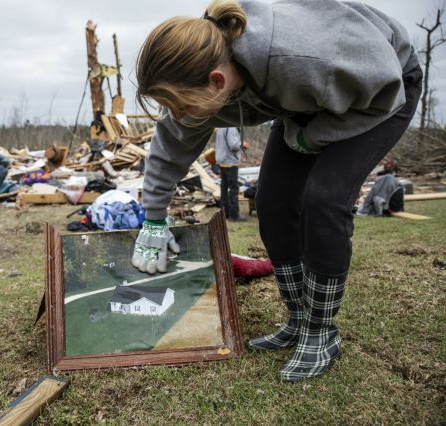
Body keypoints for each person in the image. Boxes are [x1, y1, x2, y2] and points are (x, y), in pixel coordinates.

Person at [130, 0, 422, 382]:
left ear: (217, 81)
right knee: (271, 200)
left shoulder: (299, 56)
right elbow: (170, 147)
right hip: (304, 101)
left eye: (182, 106)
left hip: (379, 89)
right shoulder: (207, 78)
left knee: (324, 199)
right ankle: (299, 320)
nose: (179, 115)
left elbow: (384, 90)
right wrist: (154, 217)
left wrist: (311, 137)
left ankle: (321, 332)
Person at [215, 127, 247, 221]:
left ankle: (225, 213)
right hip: (230, 162)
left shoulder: (221, 127)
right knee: (234, 188)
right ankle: (234, 215)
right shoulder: (232, 127)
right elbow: (233, 145)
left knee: (224, 189)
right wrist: (243, 144)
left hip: (222, 161)